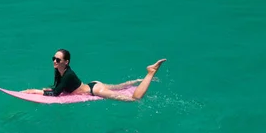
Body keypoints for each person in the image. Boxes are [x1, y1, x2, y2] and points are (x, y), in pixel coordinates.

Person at [20, 49, 166, 102]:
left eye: (58, 60)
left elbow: (57, 93)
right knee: (118, 87)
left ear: (66, 62)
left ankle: (150, 73)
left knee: (133, 99)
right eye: (53, 58)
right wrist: (47, 89)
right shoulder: (59, 70)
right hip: (92, 83)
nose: (54, 61)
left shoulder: (68, 75)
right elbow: (57, 86)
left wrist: (35, 90)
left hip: (95, 90)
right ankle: (137, 80)